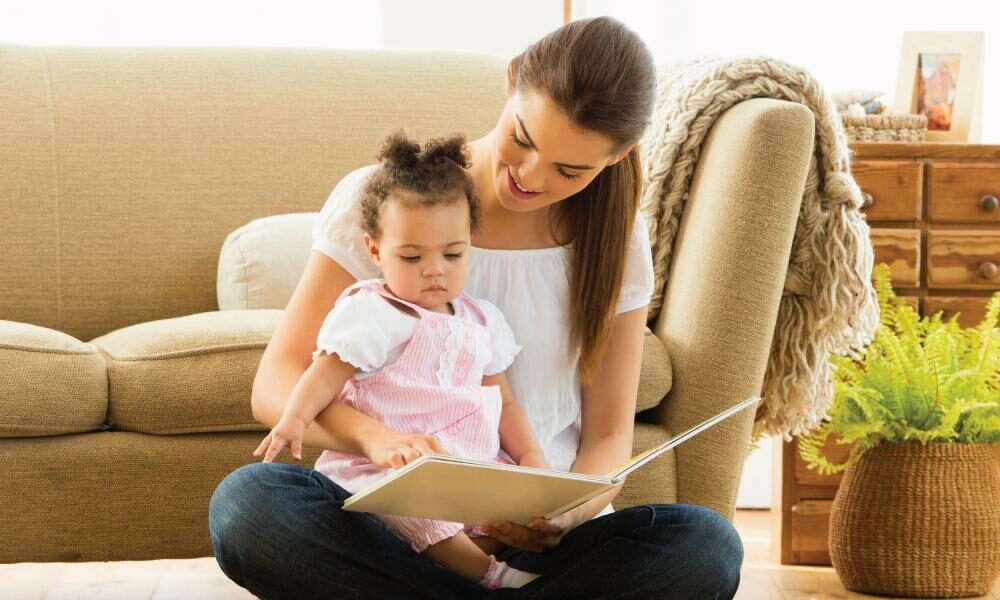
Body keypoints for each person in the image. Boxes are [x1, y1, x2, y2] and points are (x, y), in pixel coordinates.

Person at [210, 16, 744, 599]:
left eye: (571, 170)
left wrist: (564, 512)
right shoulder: (393, 202)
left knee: (706, 546)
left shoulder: (618, 240)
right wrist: (374, 440)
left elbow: (608, 434)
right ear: (512, 79)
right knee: (248, 506)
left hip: (525, 537)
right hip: (388, 525)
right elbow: (276, 384)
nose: (530, 176)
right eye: (524, 138)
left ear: (618, 157)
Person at [252, 131, 548, 590]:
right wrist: (293, 419)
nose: (435, 269)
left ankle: (460, 573)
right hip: (388, 474)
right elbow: (324, 374)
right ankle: (488, 578)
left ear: (471, 241)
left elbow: (504, 404)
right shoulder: (373, 311)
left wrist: (533, 464)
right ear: (375, 251)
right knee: (403, 508)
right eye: (412, 256)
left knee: (507, 519)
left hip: (468, 473)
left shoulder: (483, 320)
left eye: (453, 253)